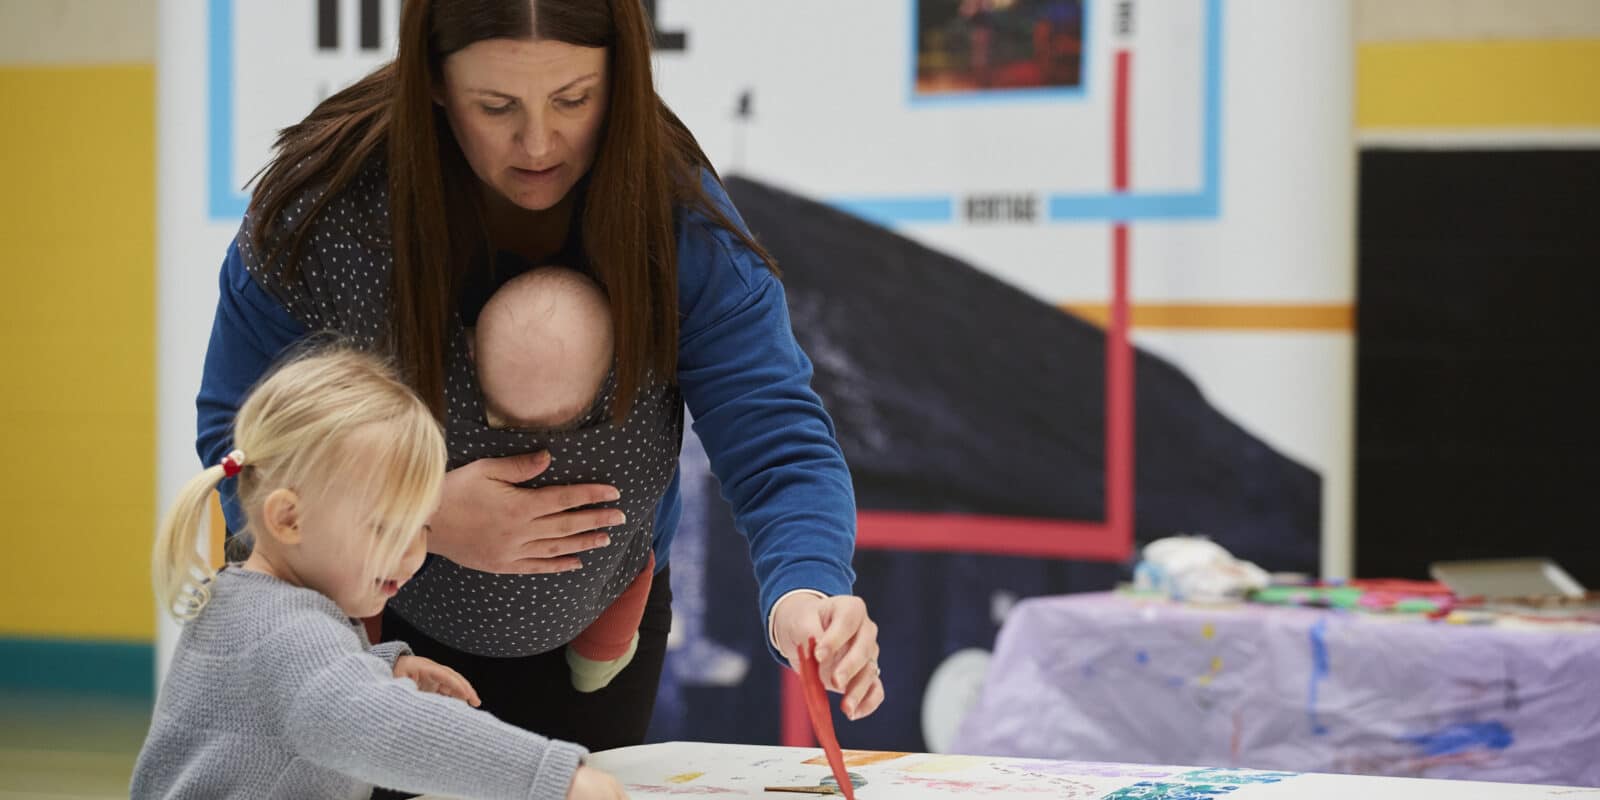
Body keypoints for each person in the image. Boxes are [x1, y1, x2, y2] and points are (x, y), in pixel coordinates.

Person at [195, 0, 883, 759]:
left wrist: (807, 593)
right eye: (495, 106)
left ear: (623, 78)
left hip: (595, 643)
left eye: (574, 99)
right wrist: (413, 518)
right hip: (363, 629)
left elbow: (775, 440)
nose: (537, 143)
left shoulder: (675, 218)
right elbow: (239, 441)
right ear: (429, 79)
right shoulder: (322, 210)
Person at [136, 348, 626, 799]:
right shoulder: (285, 633)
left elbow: (293, 692)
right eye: (387, 527)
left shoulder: (245, 601)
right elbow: (380, 725)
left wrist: (379, 666)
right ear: (289, 519)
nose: (413, 553)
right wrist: (554, 779)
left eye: (424, 526)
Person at [470, 266, 654, 693]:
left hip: (430, 608)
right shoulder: (623, 448)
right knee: (633, 556)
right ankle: (597, 662)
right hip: (588, 587)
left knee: (632, 551)